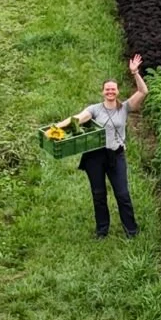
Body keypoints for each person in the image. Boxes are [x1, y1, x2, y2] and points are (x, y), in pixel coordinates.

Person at [55, 55, 147, 239]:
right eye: (107, 89)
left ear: (118, 91)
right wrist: (57, 127)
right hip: (95, 156)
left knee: (122, 194)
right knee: (98, 194)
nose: (110, 92)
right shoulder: (95, 109)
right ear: (102, 92)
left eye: (113, 89)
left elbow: (143, 92)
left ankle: (131, 231)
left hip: (116, 155)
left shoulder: (125, 108)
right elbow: (77, 119)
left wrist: (135, 72)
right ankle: (102, 231)